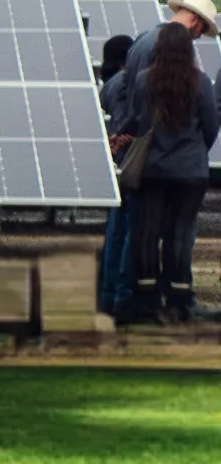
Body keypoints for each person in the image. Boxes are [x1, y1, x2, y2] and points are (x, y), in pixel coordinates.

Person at [108, 21, 221, 322]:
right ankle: (179, 300)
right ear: (188, 50)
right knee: (180, 235)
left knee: (147, 234)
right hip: (190, 172)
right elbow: (211, 126)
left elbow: (138, 118)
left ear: (159, 49)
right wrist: (195, 150)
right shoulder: (202, 82)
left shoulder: (145, 81)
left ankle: (146, 300)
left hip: (153, 169)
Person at [98, 29, 141, 316]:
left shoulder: (108, 87)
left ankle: (105, 293)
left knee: (115, 231)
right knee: (128, 231)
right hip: (133, 164)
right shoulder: (130, 85)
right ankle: (120, 297)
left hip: (115, 166)